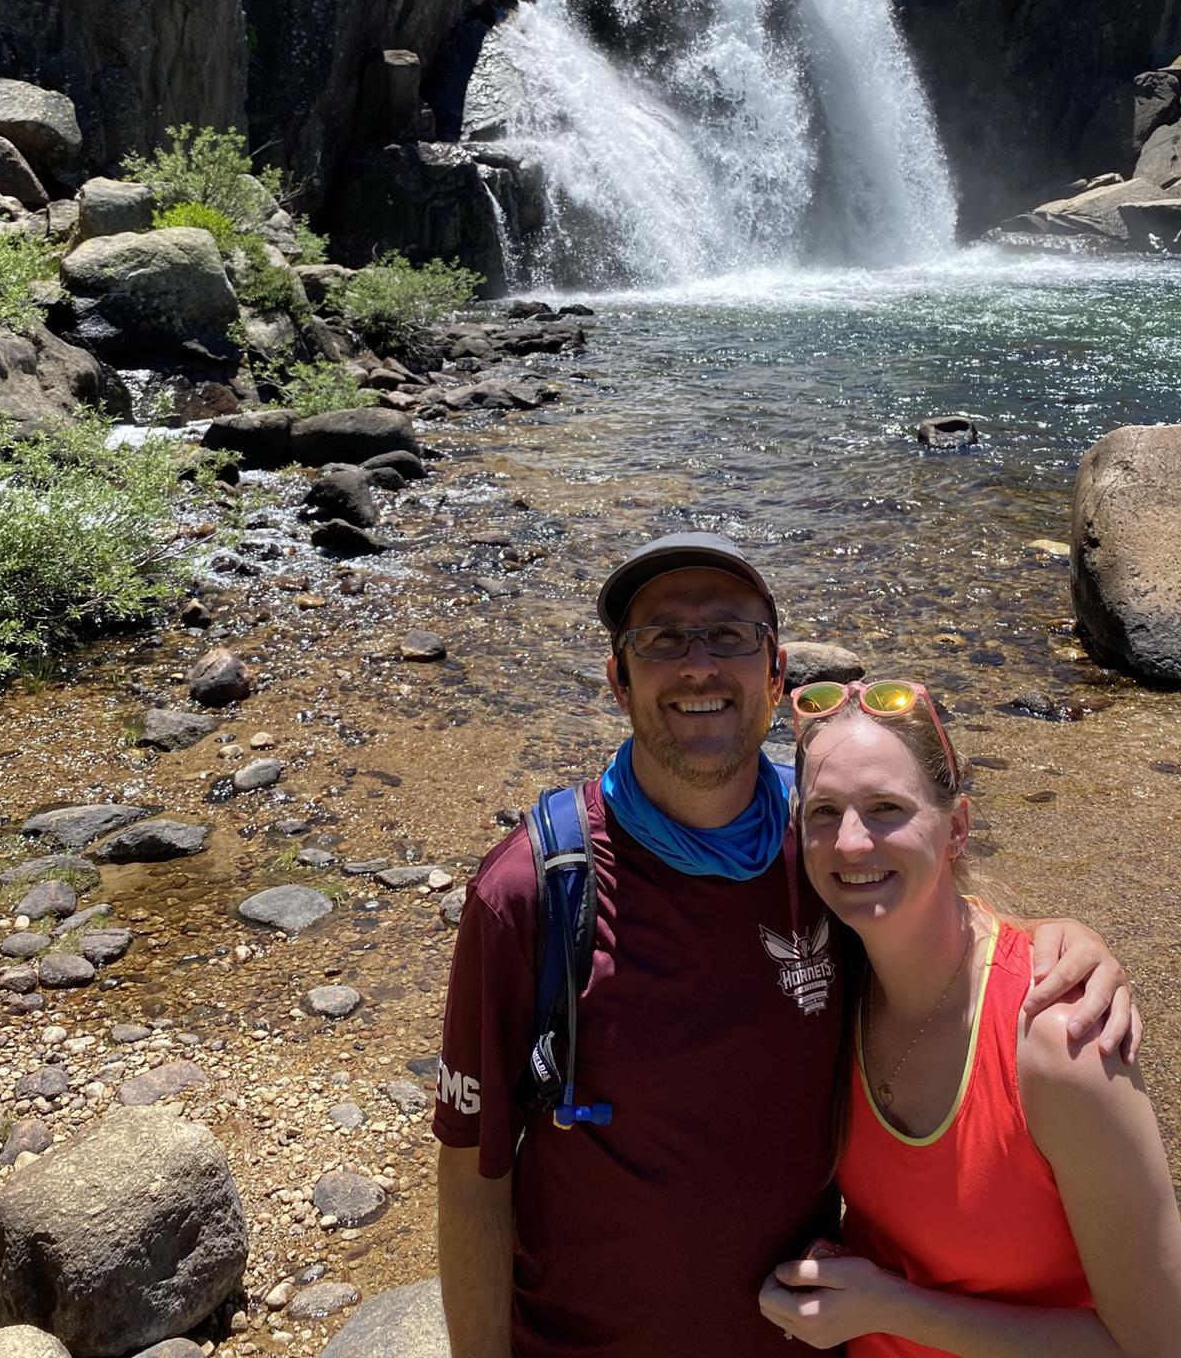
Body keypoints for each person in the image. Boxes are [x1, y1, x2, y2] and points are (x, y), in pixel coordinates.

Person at [435, 533, 1139, 1358]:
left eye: (729, 635)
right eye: (663, 637)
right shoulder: (534, 888)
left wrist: (1064, 941)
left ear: (774, 676)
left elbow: (933, 923)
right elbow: (473, 1175)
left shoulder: (822, 855)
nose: (699, 664)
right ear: (618, 681)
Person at [758, 679, 1181, 1357]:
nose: (849, 843)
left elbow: (1168, 1350)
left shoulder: (1060, 1042)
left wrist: (892, 1307)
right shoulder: (827, 983)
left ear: (956, 827)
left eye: (885, 809)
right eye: (823, 812)